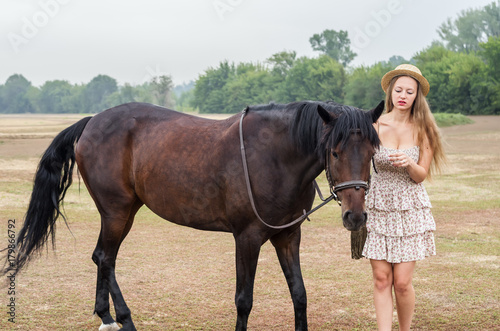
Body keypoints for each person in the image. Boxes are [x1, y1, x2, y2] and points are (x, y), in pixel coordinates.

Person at [362, 64, 446, 331]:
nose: (403, 95)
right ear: (390, 92)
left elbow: (421, 175)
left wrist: (408, 164)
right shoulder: (373, 125)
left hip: (409, 208)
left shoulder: (424, 130)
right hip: (378, 206)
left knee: (402, 282)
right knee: (381, 278)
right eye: (398, 89)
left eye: (409, 91)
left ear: (416, 96)